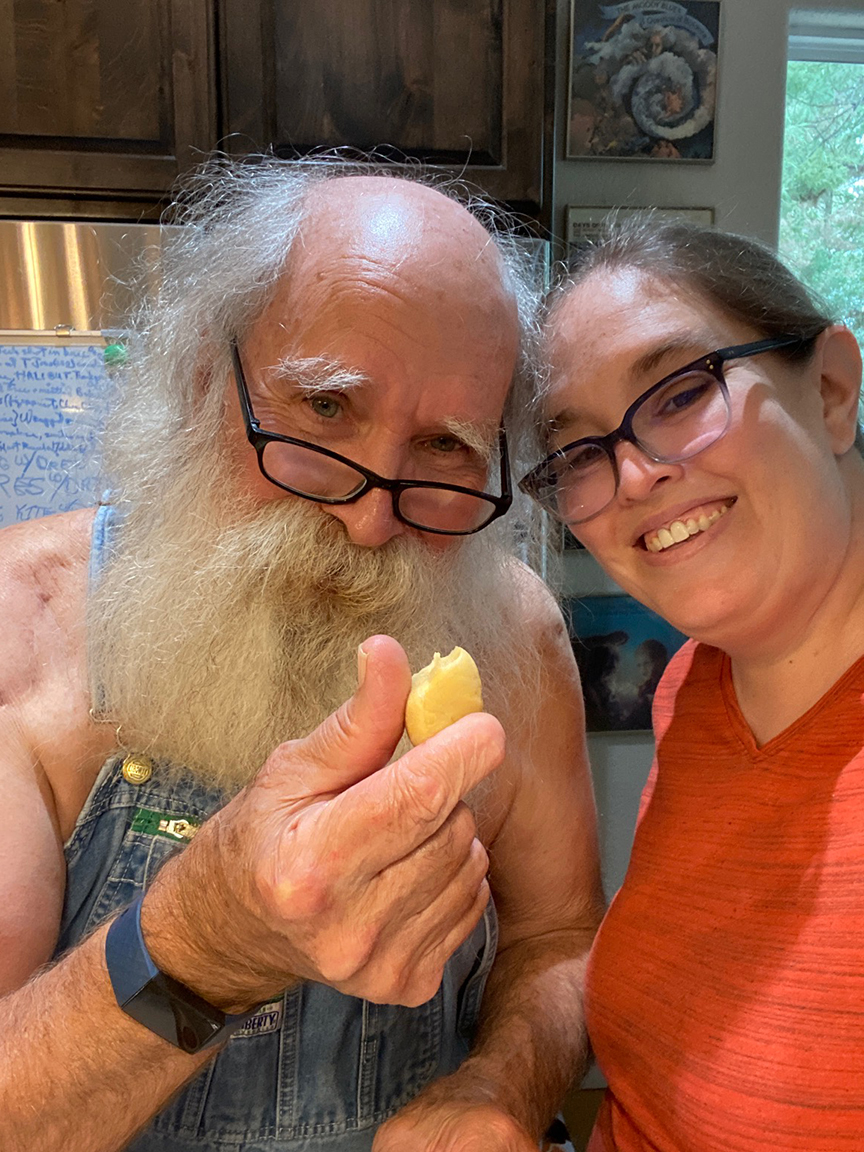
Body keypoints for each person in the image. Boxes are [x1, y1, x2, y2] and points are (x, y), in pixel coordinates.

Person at [0, 160, 602, 1152]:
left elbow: (559, 936)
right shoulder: (25, 629)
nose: (370, 519)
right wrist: (202, 947)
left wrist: (503, 1084)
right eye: (326, 411)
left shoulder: (516, 631)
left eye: (448, 448)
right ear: (203, 377)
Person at [519, 214, 864, 1150]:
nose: (632, 477)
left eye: (678, 393)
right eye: (580, 455)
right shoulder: (691, 690)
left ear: (831, 390)